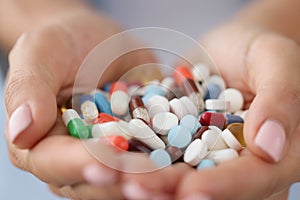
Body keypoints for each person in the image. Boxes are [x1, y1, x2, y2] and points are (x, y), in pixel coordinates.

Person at [1, 0, 300, 199]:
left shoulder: (201, 116)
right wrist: (51, 19)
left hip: (260, 79)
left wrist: (275, 25)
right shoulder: (116, 113)